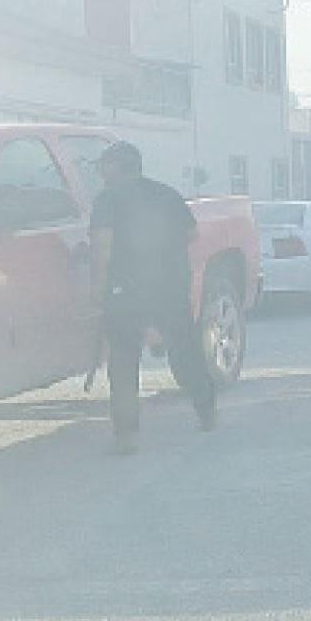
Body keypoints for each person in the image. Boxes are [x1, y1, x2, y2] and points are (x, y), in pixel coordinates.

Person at [89, 141, 217, 454]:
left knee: (123, 360)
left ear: (118, 166)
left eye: (104, 165)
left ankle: (127, 435)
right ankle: (207, 411)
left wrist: (99, 288)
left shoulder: (108, 199)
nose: (100, 171)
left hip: (126, 291)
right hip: (170, 287)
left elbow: (103, 245)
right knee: (185, 351)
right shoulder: (166, 193)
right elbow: (192, 234)